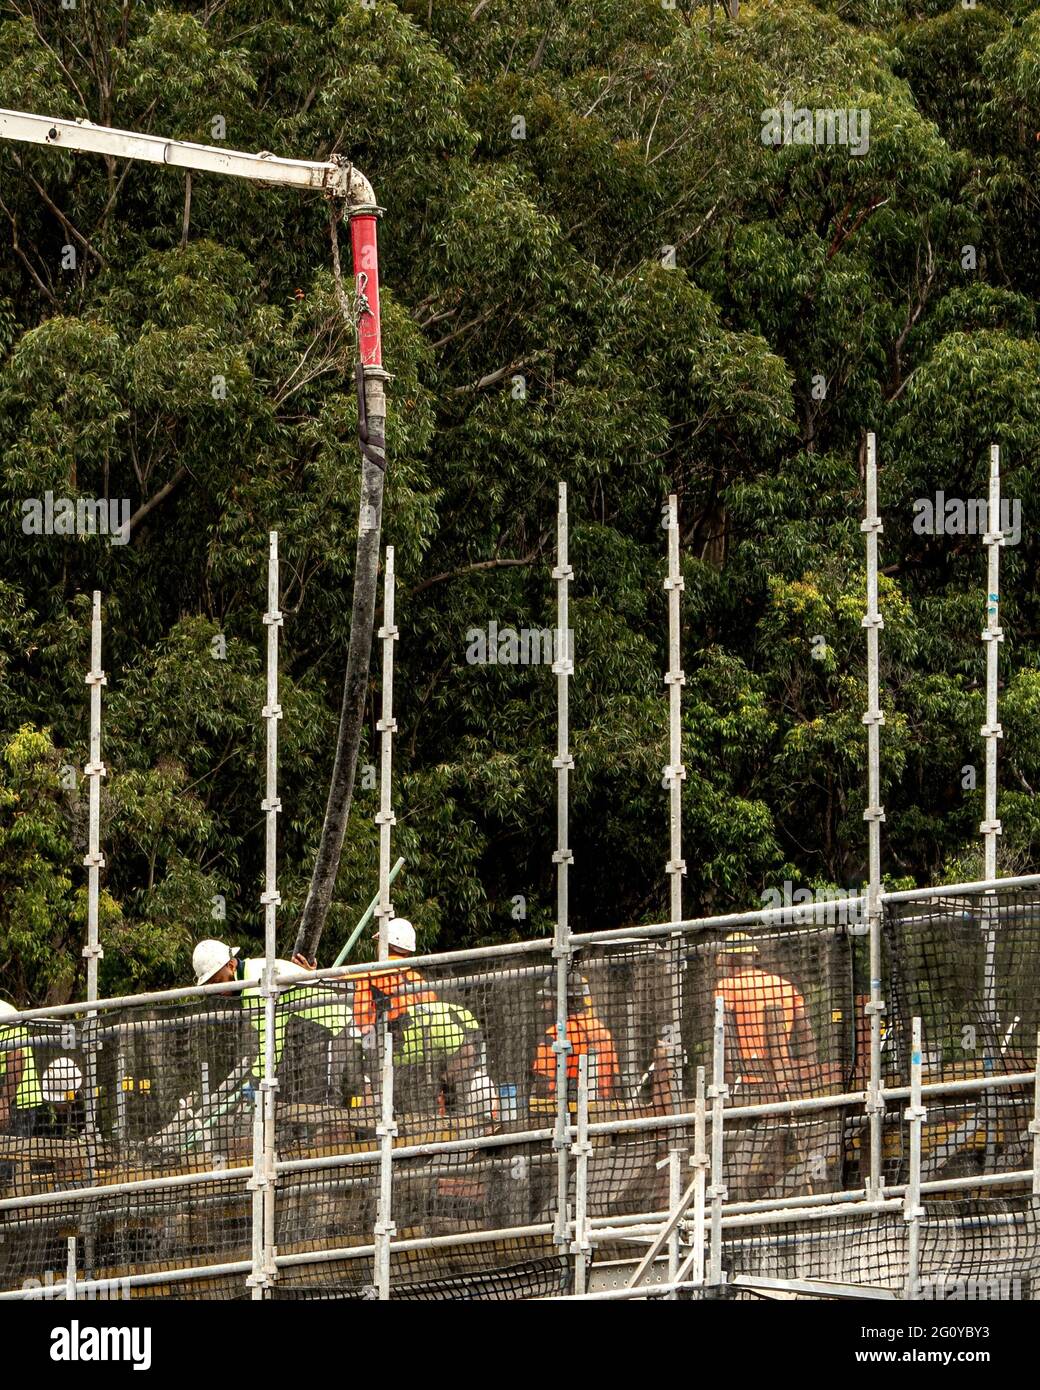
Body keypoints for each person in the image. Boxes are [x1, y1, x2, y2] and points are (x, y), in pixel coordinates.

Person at [191, 939, 353, 1095]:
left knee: (321, 1097)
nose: (217, 989)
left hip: (330, 1026)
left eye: (218, 981)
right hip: (314, 1029)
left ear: (231, 965)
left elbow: (271, 1037)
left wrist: (256, 1079)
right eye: (210, 985)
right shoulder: (252, 972)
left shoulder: (255, 985)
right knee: (308, 1096)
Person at [713, 933, 817, 1096]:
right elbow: (806, 1033)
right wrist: (810, 1076)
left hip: (749, 1081)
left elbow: (725, 1035)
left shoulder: (727, 986)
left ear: (731, 960)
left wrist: (728, 1082)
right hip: (785, 1080)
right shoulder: (785, 986)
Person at [531, 973, 620, 1102]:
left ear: (561, 1001)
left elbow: (544, 1085)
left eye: (547, 1000)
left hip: (565, 1110)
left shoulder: (554, 1035)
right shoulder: (602, 1030)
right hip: (601, 1110)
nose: (543, 1006)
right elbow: (615, 1078)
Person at [0, 1000, 45, 1137]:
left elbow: (17, 1057)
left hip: (16, 1102)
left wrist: (5, 1102)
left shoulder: (4, 1013)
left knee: (9, 1155)